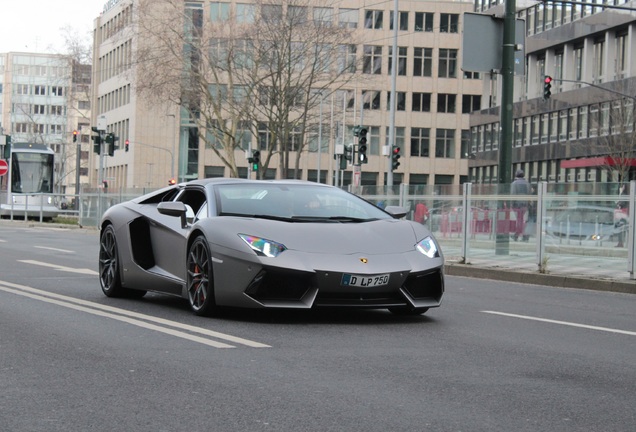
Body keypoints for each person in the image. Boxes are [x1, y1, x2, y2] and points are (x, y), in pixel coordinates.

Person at [510, 169, 530, 241]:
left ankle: (518, 234)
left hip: (517, 204)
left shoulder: (514, 184)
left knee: (519, 220)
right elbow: (529, 193)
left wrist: (512, 204)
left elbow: (513, 194)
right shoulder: (527, 183)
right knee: (523, 220)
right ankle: (523, 234)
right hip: (525, 204)